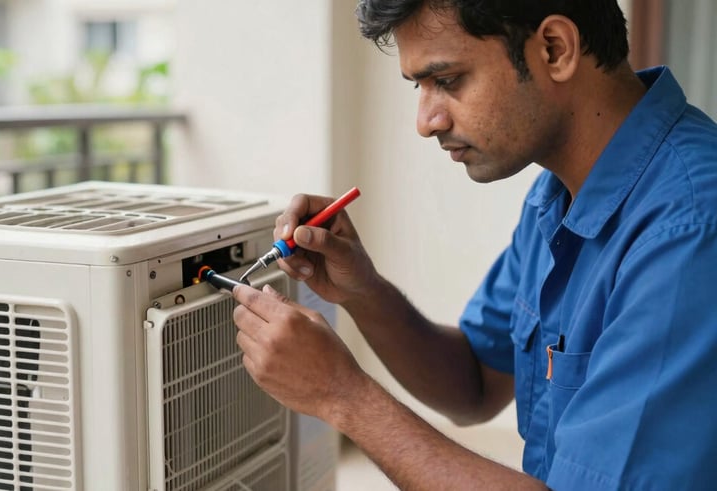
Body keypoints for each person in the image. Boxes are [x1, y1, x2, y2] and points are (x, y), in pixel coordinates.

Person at [232, 0, 717, 489]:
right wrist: (362, 291)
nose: (426, 121)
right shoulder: (557, 197)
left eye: (447, 80)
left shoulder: (690, 230)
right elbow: (475, 384)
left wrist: (340, 395)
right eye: (418, 87)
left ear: (555, 49)